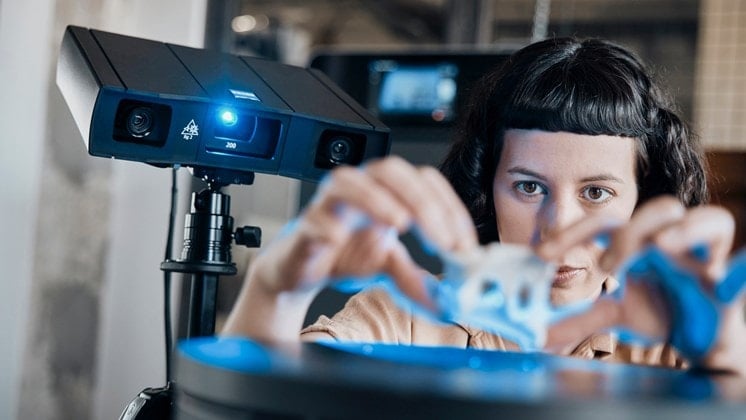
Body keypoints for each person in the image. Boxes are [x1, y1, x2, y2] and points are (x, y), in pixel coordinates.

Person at [223, 37, 745, 374]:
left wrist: (730, 361)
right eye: (529, 187)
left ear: (642, 199)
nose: (557, 225)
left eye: (596, 192)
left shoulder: (675, 345)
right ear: (485, 186)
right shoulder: (403, 322)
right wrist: (275, 288)